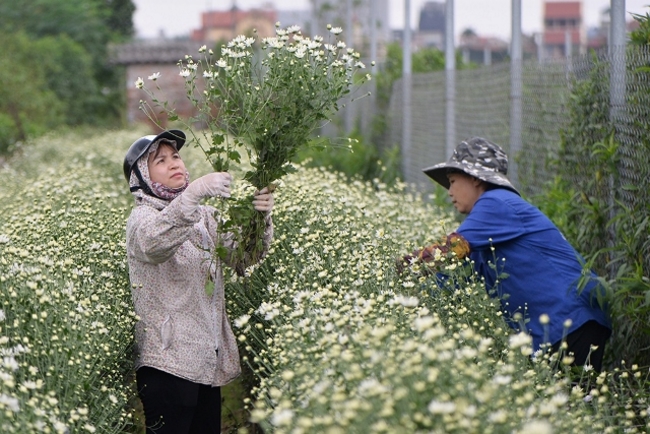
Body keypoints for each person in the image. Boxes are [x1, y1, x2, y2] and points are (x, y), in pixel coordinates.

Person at [400, 137, 612, 372]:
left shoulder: (496, 203)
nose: (448, 192)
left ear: (475, 178)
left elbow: (448, 251)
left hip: (571, 319)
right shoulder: (483, 233)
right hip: (562, 324)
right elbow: (449, 279)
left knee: (574, 404)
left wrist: (398, 269)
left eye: (451, 181)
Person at [123, 130, 274, 433]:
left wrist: (262, 219)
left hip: (206, 360)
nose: (173, 163)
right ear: (142, 177)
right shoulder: (142, 218)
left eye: (175, 156)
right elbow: (155, 245)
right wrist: (193, 195)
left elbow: (243, 257)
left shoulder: (206, 216)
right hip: (165, 362)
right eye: (160, 160)